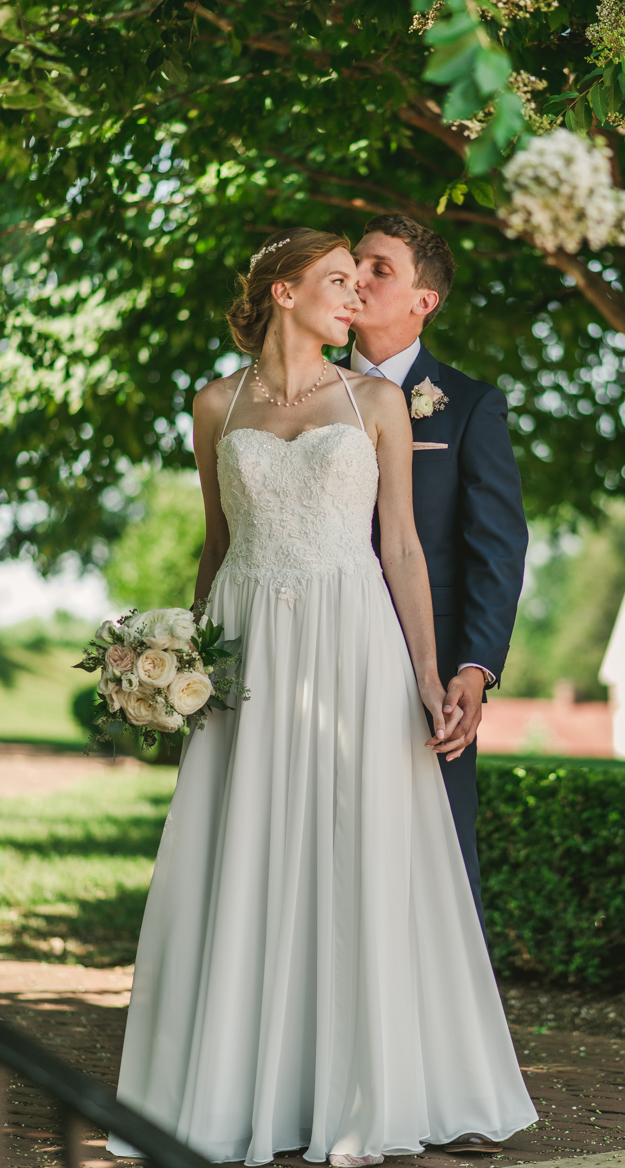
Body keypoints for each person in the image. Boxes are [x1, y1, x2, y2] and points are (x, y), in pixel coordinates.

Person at [107, 228, 537, 1167]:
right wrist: (179, 655)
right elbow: (215, 546)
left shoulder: (378, 400)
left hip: (353, 640)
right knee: (248, 850)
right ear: (282, 290)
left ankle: (370, 1086)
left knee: (360, 851)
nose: (353, 294)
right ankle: (242, 1082)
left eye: (366, 278)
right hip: (249, 644)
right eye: (339, 280)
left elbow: (405, 551)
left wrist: (431, 673)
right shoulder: (215, 403)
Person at [343, 214, 529, 932]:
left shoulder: (470, 405)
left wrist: (475, 669)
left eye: (380, 268)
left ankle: (449, 1034)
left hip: (433, 663)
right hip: (320, 645)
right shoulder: (304, 393)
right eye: (354, 261)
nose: (357, 277)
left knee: (438, 852)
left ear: (427, 299)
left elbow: (497, 548)